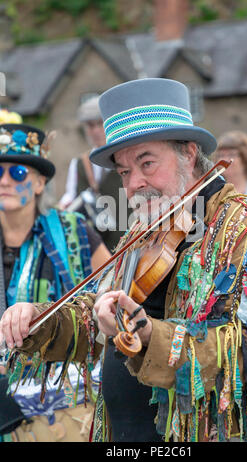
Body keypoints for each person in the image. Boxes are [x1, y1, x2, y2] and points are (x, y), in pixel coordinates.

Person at [0, 79, 247, 443]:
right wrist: (42, 321)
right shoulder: (143, 229)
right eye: (125, 171)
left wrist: (147, 335)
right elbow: (99, 312)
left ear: (189, 153)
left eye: (146, 163)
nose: (135, 184)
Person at [0, 118, 111, 442]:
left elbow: (113, 289)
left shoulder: (74, 230)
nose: (5, 181)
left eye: (17, 173)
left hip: (64, 407)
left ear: (38, 184)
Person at [59, 95, 130, 252]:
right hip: (96, 247)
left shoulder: (128, 159)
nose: (96, 131)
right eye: (90, 126)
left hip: (129, 243)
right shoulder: (78, 163)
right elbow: (70, 196)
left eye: (101, 124)